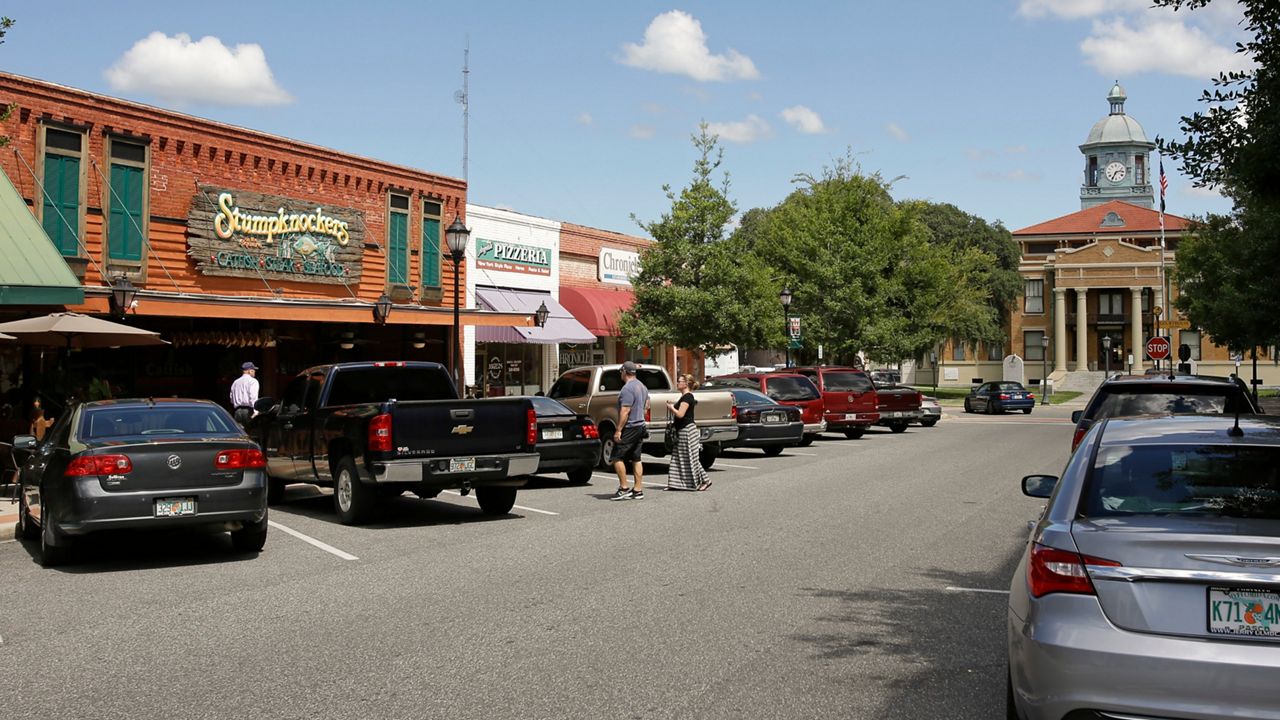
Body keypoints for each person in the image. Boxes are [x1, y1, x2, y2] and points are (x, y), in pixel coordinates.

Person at [610, 361, 649, 501]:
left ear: (625, 372)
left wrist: (618, 430)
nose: (620, 373)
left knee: (616, 457)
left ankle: (623, 488)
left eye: (621, 371)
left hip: (630, 426)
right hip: (640, 425)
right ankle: (638, 490)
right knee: (636, 458)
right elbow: (647, 405)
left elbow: (625, 410)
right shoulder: (642, 386)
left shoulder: (627, 389)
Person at [665, 374, 710, 491]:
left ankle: (705, 480)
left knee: (691, 457)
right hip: (683, 430)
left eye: (679, 381)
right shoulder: (685, 397)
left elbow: (680, 414)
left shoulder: (687, 397)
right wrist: (673, 404)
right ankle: (675, 483)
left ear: (686, 384)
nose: (677, 383)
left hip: (687, 431)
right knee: (678, 457)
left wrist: (671, 408)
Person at [230, 361, 260, 426]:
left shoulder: (235, 382)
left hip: (237, 412)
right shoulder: (253, 381)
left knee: (240, 434)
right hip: (248, 411)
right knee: (249, 433)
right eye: (253, 370)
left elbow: (231, 399)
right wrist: (256, 412)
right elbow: (253, 397)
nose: (254, 372)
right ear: (249, 371)